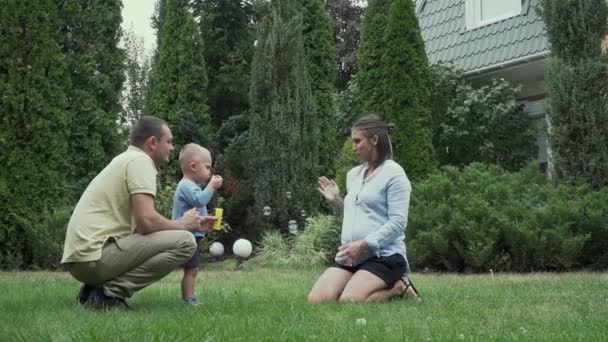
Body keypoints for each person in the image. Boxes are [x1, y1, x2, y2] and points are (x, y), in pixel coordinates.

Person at [61, 116, 216, 310]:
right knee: (185, 242)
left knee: (180, 235)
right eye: (168, 141)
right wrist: (183, 225)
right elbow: (147, 223)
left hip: (82, 260)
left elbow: (143, 228)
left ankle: (93, 289)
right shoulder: (140, 162)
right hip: (93, 259)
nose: (172, 147)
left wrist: (193, 223)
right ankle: (108, 293)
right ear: (152, 142)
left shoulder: (125, 160)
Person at [307, 114, 419, 303]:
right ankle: (359, 281)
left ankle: (399, 287)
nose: (353, 147)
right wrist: (335, 200)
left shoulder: (394, 174)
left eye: (357, 141)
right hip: (352, 256)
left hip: (385, 256)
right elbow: (354, 215)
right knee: (316, 299)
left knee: (349, 300)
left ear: (374, 140)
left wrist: (364, 245)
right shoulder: (353, 175)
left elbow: (398, 223)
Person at [172, 143, 223, 305]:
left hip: (193, 234)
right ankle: (189, 299)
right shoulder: (186, 185)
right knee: (191, 269)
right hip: (188, 236)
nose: (209, 172)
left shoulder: (191, 186)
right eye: (207, 167)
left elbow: (197, 206)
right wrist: (211, 187)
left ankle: (189, 297)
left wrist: (204, 220)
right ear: (193, 166)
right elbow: (200, 200)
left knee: (192, 269)